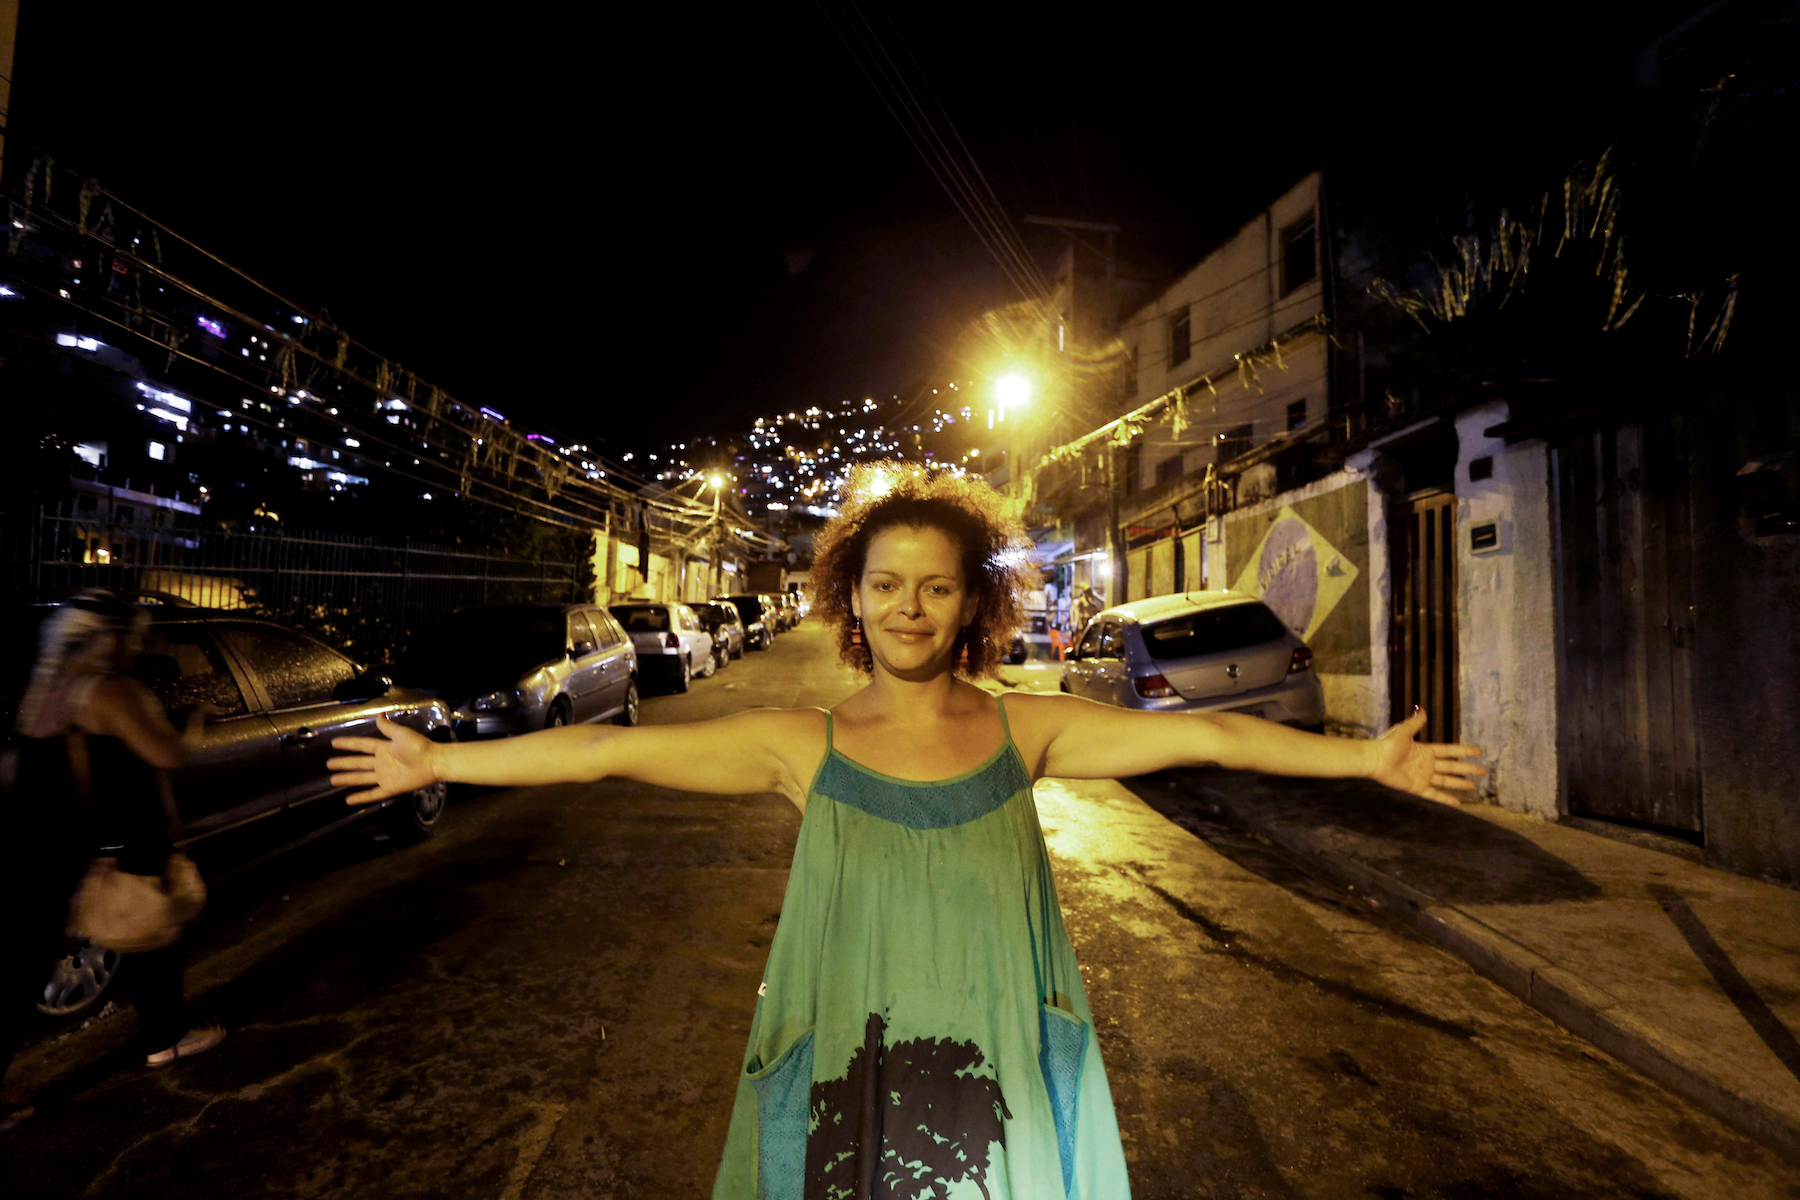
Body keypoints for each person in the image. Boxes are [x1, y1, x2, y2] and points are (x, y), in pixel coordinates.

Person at [328, 464, 1485, 1197]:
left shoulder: (1026, 733)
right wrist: (439, 761)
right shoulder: (801, 746)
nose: (909, 608)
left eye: (934, 587)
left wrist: (1365, 757)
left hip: (1003, 1083)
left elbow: (1216, 742)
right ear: (851, 599)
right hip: (853, 1085)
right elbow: (599, 749)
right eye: (887, 585)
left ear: (970, 604)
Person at [0, 591, 225, 1135]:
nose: (140, 645)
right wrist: (196, 721)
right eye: (135, 635)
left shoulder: (45, 684)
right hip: (90, 841)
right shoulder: (109, 688)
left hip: (41, 841)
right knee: (147, 925)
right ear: (110, 637)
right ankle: (166, 1038)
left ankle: (165, 1036)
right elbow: (166, 752)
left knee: (21, 969)